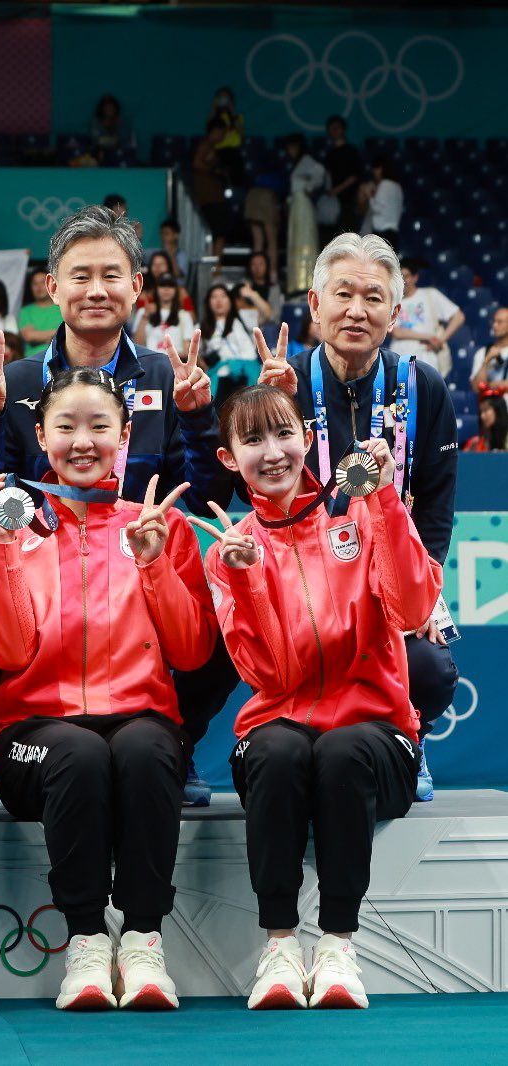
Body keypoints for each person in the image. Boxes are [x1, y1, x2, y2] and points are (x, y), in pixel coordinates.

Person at [0, 204, 234, 806]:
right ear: (52, 287)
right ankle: (29, 729)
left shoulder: (166, 375)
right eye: (79, 276)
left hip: (142, 586)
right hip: (43, 592)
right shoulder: (18, 382)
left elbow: (206, 497)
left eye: (111, 275)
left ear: (136, 287)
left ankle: (176, 742)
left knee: (226, 617)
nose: (96, 290)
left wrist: (198, 419)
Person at [0, 368, 216, 1011]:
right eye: (66, 427)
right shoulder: (12, 530)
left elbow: (191, 652)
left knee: (148, 750)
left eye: (100, 426)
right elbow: (5, 654)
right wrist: (1, 551)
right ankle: (84, 939)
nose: (83, 441)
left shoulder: (159, 526)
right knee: (77, 753)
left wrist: (154, 562)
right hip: (33, 734)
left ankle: (142, 939)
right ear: (40, 437)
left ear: (124, 437)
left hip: (139, 717)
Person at [195, 384, 440, 1010]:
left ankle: (337, 945)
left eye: (283, 433)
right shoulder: (230, 552)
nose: (272, 451)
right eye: (252, 440)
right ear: (229, 459)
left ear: (308, 437)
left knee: (343, 751)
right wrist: (246, 580)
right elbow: (272, 678)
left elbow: (414, 609)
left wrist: (385, 500)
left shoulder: (357, 511)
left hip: (378, 731)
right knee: (277, 753)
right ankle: (279, 945)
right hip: (281, 726)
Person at [257, 233, 459, 802]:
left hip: (391, 581)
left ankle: (405, 737)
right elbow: (258, 502)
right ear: (315, 304)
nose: (356, 310)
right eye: (342, 294)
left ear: (394, 315)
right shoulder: (283, 382)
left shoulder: (423, 387)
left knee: (431, 668)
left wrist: (424, 591)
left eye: (373, 298)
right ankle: (307, 740)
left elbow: (436, 505)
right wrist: (274, 414)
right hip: (307, 583)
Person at [391, 258, 465, 377]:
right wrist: (429, 337)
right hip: (399, 358)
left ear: (415, 277)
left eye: (406, 276)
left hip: (426, 358)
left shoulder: (430, 294)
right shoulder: (392, 301)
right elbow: (396, 332)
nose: (402, 281)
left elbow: (458, 316)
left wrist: (441, 340)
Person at [284, 134, 326, 297]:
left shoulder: (307, 160)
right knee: (296, 239)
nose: (290, 151)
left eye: (292, 147)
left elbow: (320, 171)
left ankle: (307, 281)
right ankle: (296, 282)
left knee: (304, 239)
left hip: (303, 204)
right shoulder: (298, 164)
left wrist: (309, 188)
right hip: (296, 204)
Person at [200, 281, 258, 378]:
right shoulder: (202, 326)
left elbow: (269, 315)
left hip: (248, 371)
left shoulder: (243, 317)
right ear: (208, 302)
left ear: (231, 300)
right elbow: (195, 354)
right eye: (214, 297)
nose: (219, 300)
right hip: (219, 375)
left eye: (223, 296)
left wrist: (253, 294)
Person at [193, 119, 230, 262]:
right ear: (215, 131)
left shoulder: (211, 147)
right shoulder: (206, 145)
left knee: (219, 235)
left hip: (213, 198)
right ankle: (216, 267)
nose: (223, 136)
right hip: (210, 199)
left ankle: (216, 266)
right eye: (222, 132)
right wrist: (214, 170)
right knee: (219, 235)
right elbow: (196, 163)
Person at [321, 115, 364, 238]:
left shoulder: (352, 151)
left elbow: (355, 176)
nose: (334, 130)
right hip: (333, 203)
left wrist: (337, 189)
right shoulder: (329, 153)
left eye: (337, 127)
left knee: (348, 236)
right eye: (331, 128)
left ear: (343, 129)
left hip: (348, 201)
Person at [139, 272, 195, 354]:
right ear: (156, 289)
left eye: (170, 285)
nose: (166, 289)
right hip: (149, 360)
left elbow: (187, 351)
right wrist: (145, 317)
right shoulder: (143, 312)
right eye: (162, 285)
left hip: (173, 360)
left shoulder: (184, 315)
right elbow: (137, 345)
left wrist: (168, 357)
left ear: (176, 290)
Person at [358, 158, 404, 248]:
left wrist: (369, 195)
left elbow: (377, 208)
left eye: (376, 169)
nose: (374, 172)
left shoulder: (384, 184)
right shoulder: (398, 186)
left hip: (382, 234)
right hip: (393, 234)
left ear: (381, 169)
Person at [17, 268, 63, 357]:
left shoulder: (62, 307)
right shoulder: (26, 311)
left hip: (58, 358)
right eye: (35, 284)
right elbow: (29, 336)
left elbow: (68, 334)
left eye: (42, 282)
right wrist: (55, 335)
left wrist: (39, 336)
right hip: (32, 359)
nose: (39, 287)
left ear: (51, 284)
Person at [208, 86, 245, 186]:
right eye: (221, 98)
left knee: (236, 180)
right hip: (219, 153)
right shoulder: (215, 118)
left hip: (234, 153)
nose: (224, 100)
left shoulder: (238, 117)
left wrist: (231, 110)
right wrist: (214, 107)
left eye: (226, 98)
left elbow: (241, 131)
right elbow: (209, 128)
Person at [236, 251, 283, 326]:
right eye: (253, 264)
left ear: (267, 266)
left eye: (261, 264)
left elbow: (274, 317)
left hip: (266, 326)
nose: (257, 268)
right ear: (249, 267)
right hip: (246, 323)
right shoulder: (244, 285)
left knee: (271, 327)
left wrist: (253, 295)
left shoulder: (274, 288)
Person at [470, 306, 508, 394]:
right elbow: (477, 388)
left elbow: (484, 387)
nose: (494, 325)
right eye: (493, 321)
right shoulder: (482, 353)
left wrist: (489, 385)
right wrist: (486, 361)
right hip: (490, 402)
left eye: (500, 322)